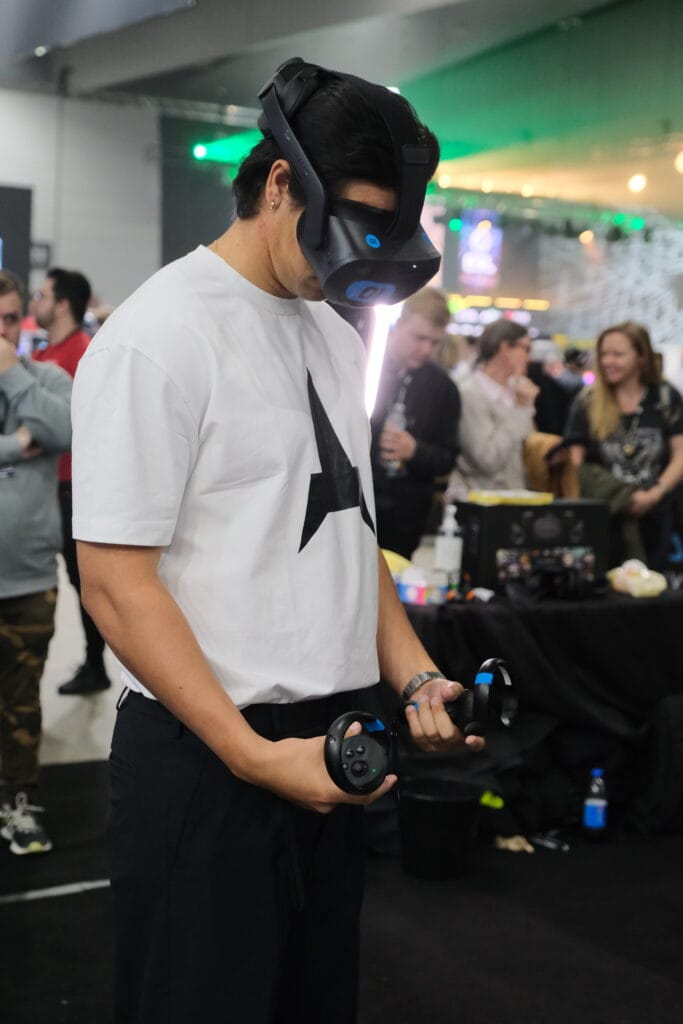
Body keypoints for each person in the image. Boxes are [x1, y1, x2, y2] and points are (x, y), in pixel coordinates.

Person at [71, 60, 484, 1024]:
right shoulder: (157, 336)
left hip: (333, 747)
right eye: (356, 218)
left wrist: (416, 677)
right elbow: (115, 584)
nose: (367, 251)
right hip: (206, 759)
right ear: (279, 184)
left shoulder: (334, 336)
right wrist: (251, 757)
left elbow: (349, 537)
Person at [0, 269, 72, 854]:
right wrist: (19, 444)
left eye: (7, 320)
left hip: (27, 580)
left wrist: (11, 375)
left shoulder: (45, 378)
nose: (0, 333)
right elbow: (38, 436)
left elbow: (66, 430)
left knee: (20, 703)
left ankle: (18, 800)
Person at [32, 267, 109, 694]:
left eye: (43, 295)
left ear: (62, 304)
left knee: (85, 585)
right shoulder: (46, 354)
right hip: (46, 487)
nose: (36, 302)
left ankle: (96, 665)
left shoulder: (85, 355)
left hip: (74, 491)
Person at [564, 320, 683, 569]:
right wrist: (619, 495)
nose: (608, 361)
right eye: (604, 354)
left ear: (641, 357)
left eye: (618, 354)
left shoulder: (665, 398)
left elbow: (680, 453)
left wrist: (655, 494)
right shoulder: (588, 401)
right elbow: (576, 461)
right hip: (603, 520)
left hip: (657, 521)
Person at [371, 288, 460, 558]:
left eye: (435, 342)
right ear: (399, 324)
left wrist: (415, 450)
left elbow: (447, 458)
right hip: (356, 504)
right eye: (419, 338)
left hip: (406, 519)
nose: (426, 349)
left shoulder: (442, 388)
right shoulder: (364, 367)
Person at [447, 318, 538, 499]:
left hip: (514, 497)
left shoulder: (516, 390)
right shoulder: (470, 393)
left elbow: (526, 450)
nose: (529, 358)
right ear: (505, 348)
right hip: (480, 501)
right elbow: (487, 459)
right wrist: (520, 410)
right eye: (525, 349)